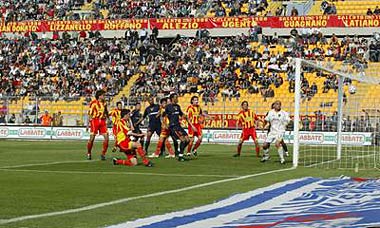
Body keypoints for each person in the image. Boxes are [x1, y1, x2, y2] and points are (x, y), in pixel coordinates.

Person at [165, 93, 195, 162]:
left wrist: (189, 121)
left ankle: (179, 150)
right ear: (172, 98)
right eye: (176, 97)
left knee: (188, 140)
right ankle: (180, 156)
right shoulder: (168, 107)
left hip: (178, 126)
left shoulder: (178, 106)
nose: (177, 99)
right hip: (173, 126)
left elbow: (182, 115)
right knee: (183, 140)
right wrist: (164, 124)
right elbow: (164, 116)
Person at [87, 90, 109, 161]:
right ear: (99, 96)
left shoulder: (104, 103)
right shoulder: (93, 103)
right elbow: (90, 114)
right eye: (103, 95)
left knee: (106, 138)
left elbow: (106, 111)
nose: (104, 96)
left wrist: (108, 118)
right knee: (92, 138)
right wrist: (88, 124)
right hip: (95, 121)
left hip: (102, 121)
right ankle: (89, 153)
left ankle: (103, 154)